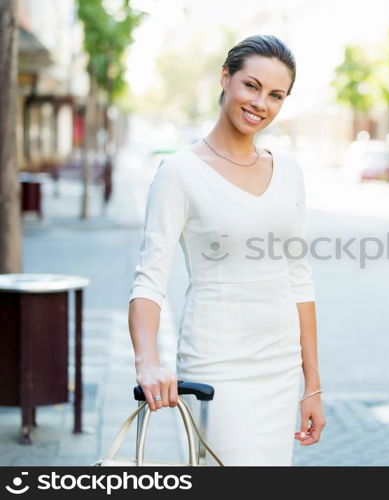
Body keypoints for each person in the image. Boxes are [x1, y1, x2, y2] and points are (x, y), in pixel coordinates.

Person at [127, 34, 325, 466]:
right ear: (225, 78)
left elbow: (298, 278)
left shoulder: (289, 172)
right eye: (251, 86)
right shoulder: (179, 172)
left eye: (276, 95)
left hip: (280, 365)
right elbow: (150, 278)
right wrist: (148, 362)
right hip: (219, 361)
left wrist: (312, 384)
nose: (261, 104)